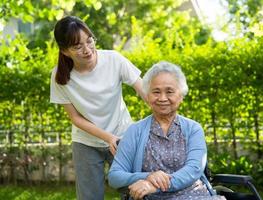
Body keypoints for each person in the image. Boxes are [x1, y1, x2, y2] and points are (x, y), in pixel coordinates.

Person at [50, 16, 145, 200]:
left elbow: (143, 90)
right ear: (65, 51)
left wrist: (165, 111)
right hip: (86, 143)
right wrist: (107, 137)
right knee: (89, 196)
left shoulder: (114, 60)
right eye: (78, 46)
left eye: (89, 40)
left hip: (123, 136)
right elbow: (75, 118)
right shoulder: (59, 76)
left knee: (137, 190)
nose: (87, 50)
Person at [108, 61, 225, 200]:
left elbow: (193, 169)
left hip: (194, 196)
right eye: (156, 92)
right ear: (147, 95)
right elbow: (115, 176)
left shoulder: (193, 129)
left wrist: (155, 185)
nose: (162, 98)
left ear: (181, 96)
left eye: (169, 91)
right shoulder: (135, 131)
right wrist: (148, 176)